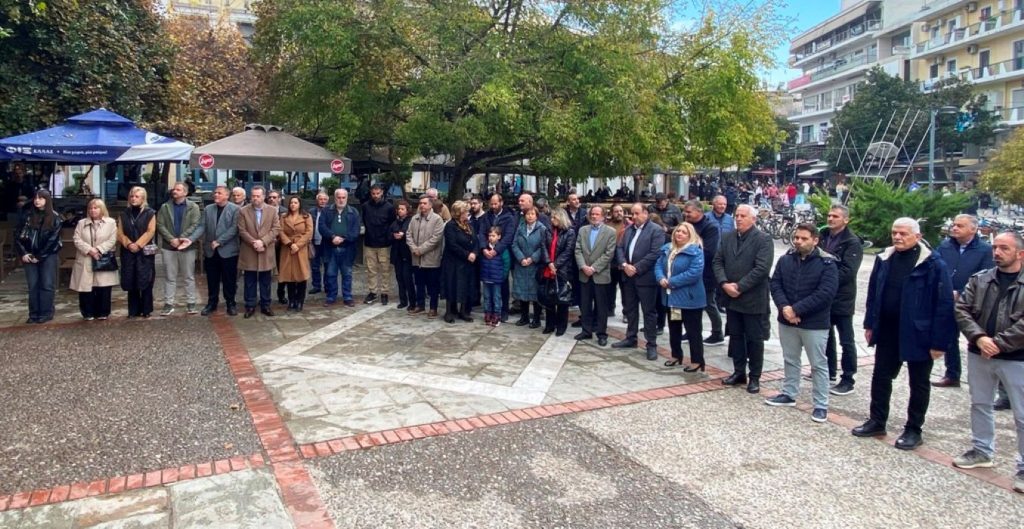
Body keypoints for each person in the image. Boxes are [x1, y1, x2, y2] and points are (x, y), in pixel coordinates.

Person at [853, 218, 956, 450]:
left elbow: (944, 304)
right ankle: (877, 420)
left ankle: (913, 429)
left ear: (917, 237)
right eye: (894, 232)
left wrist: (939, 342)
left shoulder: (933, 264)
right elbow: (874, 292)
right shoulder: (884, 258)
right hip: (888, 329)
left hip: (919, 332)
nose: (897, 237)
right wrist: (870, 323)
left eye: (903, 233)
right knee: (881, 377)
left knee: (918, 383)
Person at [951, 231, 1024, 493]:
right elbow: (962, 309)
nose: (997, 252)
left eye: (1004, 248)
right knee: (980, 404)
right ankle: (982, 450)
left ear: (1020, 253)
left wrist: (999, 343)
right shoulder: (981, 279)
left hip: (1016, 357)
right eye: (995, 247)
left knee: (1022, 414)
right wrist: (980, 338)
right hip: (979, 352)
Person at [766, 223, 838, 422]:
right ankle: (789, 393)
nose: (798, 241)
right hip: (787, 319)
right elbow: (775, 284)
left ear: (815, 240)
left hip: (814, 322)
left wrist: (796, 309)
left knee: (818, 364)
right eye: (797, 237)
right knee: (790, 358)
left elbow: (825, 293)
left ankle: (821, 404)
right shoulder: (786, 259)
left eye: (804, 238)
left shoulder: (827, 263)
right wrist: (785, 308)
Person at [713, 204, 774, 393]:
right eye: (736, 215)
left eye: (743, 216)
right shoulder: (727, 237)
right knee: (736, 336)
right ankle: (739, 371)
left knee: (755, 340)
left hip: (752, 298)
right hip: (731, 298)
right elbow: (717, 261)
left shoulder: (763, 239)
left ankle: (755, 376)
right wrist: (724, 283)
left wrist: (739, 286)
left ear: (753, 219)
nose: (738, 219)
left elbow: (762, 269)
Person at [934, 214, 994, 388]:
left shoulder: (985, 250)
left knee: (979, 339)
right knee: (949, 337)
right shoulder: (945, 246)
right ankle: (952, 375)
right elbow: (936, 268)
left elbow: (986, 276)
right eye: (954, 224)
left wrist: (961, 293)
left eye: (960, 226)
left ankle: (991, 384)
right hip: (948, 300)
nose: (954, 228)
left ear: (973, 229)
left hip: (974, 303)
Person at [818, 205, 864, 396]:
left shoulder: (852, 242)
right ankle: (828, 371)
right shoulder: (823, 236)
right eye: (829, 215)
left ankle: (848, 378)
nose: (830, 219)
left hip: (842, 297)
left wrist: (825, 275)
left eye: (835, 216)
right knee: (825, 336)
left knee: (846, 339)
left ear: (846, 220)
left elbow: (848, 271)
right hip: (824, 296)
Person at [614, 203, 667, 360]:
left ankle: (651, 344)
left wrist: (636, 268)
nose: (634, 217)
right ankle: (631, 337)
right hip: (628, 277)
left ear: (646, 213)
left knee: (649, 312)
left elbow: (655, 253)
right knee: (630, 309)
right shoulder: (629, 230)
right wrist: (624, 265)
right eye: (632, 214)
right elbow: (619, 249)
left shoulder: (655, 230)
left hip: (645, 278)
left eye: (637, 213)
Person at [655, 222, 706, 371]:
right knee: (674, 328)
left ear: (690, 236)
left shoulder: (696, 252)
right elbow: (658, 265)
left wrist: (671, 282)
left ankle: (697, 360)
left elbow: (694, 273)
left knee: (693, 331)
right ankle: (676, 355)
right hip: (673, 300)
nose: (679, 234)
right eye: (678, 231)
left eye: (684, 232)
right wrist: (660, 278)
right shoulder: (668, 249)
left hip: (690, 300)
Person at [156, 182, 203, 316]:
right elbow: (160, 224)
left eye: (178, 189)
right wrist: (171, 239)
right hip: (169, 246)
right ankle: (169, 303)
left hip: (187, 246)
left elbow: (195, 224)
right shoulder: (165, 207)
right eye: (174, 189)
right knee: (170, 277)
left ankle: (191, 303)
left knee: (188, 276)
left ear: (185, 193)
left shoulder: (193, 207)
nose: (174, 191)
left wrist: (181, 238)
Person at [15, 190, 62, 324]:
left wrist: (40, 256)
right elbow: (17, 236)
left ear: (47, 200)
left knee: (47, 284)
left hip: (47, 255)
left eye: (41, 198)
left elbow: (53, 240)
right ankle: (34, 313)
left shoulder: (55, 218)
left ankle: (46, 312)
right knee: (33, 285)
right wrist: (24, 253)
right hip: (29, 254)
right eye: (35, 198)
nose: (37, 200)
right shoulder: (27, 216)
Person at [681, 200, 724, 345]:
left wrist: (688, 250)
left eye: (689, 212)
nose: (685, 215)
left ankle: (717, 333)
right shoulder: (687, 224)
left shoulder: (711, 227)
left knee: (708, 303)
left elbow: (710, 251)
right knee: (690, 303)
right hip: (688, 271)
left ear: (699, 212)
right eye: (685, 212)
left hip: (706, 273)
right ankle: (692, 331)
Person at [575, 205, 617, 346]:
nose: (594, 216)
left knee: (601, 306)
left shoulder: (610, 232)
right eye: (592, 214)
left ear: (603, 216)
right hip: (584, 274)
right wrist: (583, 266)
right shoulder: (583, 230)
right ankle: (586, 331)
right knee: (585, 305)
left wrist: (593, 268)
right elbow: (578, 250)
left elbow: (609, 254)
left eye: (597, 214)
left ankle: (601, 333)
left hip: (600, 275)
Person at [237, 186, 282, 318]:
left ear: (263, 197)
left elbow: (276, 229)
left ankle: (265, 305)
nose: (255, 198)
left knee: (265, 280)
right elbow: (242, 230)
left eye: (257, 196)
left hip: (266, 250)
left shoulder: (272, 211)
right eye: (253, 196)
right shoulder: (243, 211)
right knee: (249, 280)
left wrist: (263, 242)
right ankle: (250, 305)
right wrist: (254, 243)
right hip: (249, 249)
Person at [69, 199, 117, 320]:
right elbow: (76, 239)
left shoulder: (111, 223)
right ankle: (87, 312)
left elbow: (112, 239)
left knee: (103, 286)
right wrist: (90, 250)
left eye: (96, 208)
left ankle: (103, 312)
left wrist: (99, 249)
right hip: (85, 258)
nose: (93, 210)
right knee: (86, 287)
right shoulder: (81, 223)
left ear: (102, 209)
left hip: (103, 258)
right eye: (90, 208)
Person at [200, 185, 240, 316]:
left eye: (219, 193)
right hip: (211, 251)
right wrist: (190, 239)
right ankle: (212, 303)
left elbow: (234, 229)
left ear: (227, 196)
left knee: (229, 279)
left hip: (228, 251)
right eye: (215, 193)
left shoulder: (235, 209)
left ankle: (230, 303)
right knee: (212, 279)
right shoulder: (208, 209)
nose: (215, 195)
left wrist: (219, 241)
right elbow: (202, 226)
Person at [477, 193, 517, 322]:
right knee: (488, 289)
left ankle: (503, 311)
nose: (493, 206)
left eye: (495, 203)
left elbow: (508, 236)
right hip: (487, 252)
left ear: (501, 203)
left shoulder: (509, 217)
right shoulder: (486, 216)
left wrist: (497, 250)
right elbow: (482, 233)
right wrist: (484, 248)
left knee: (503, 286)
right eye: (491, 204)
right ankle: (489, 311)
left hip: (502, 253)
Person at [118, 186, 157, 319]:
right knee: (131, 279)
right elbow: (120, 232)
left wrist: (138, 244)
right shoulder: (124, 214)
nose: (134, 199)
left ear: (143, 198)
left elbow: (150, 231)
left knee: (146, 279)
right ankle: (133, 310)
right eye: (132, 196)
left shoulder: (150, 213)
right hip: (128, 251)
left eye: (137, 196)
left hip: (144, 251)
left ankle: (146, 309)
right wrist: (129, 244)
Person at [318, 188, 361, 307]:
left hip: (347, 248)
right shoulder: (327, 211)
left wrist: (344, 238)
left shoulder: (354, 212)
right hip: (330, 248)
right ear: (335, 198)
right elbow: (321, 226)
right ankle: (331, 296)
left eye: (343, 197)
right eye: (339, 197)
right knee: (330, 273)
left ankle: (347, 296)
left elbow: (355, 230)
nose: (341, 200)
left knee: (347, 274)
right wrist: (332, 237)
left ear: (347, 198)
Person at [540, 208, 577, 335]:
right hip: (548, 268)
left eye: (554, 218)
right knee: (549, 297)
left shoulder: (570, 232)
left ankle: (561, 326)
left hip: (562, 270)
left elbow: (568, 251)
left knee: (562, 298)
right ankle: (550, 324)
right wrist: (549, 263)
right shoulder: (548, 230)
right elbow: (543, 246)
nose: (551, 220)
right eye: (551, 218)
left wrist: (555, 265)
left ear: (561, 218)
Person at [407, 194, 445, 317]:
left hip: (431, 258)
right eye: (420, 203)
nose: (422, 205)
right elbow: (409, 235)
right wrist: (414, 248)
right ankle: (420, 305)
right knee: (419, 283)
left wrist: (421, 250)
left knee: (433, 285)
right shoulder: (414, 219)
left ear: (430, 205)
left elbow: (436, 238)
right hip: (417, 259)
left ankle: (433, 308)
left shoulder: (437, 219)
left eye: (424, 203)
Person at [441, 200, 478, 323]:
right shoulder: (451, 226)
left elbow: (475, 240)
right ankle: (449, 312)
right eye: (465, 211)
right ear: (458, 213)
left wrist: (474, 253)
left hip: (467, 262)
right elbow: (452, 244)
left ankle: (463, 311)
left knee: (465, 285)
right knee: (451, 284)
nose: (467, 213)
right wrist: (467, 254)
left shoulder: (468, 225)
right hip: (453, 261)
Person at [513, 207, 549, 328]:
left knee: (535, 293)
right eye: (528, 214)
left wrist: (532, 258)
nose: (530, 216)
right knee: (523, 292)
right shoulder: (520, 227)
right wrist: (521, 258)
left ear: (537, 216)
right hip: (521, 264)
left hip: (535, 266)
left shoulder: (542, 229)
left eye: (532, 214)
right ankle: (524, 317)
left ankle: (537, 319)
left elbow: (543, 246)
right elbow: (514, 244)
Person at [362, 184, 396, 305]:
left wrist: (389, 238)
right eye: (373, 193)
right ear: (371, 193)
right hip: (369, 242)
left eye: (378, 193)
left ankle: (385, 292)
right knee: (371, 269)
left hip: (384, 244)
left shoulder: (389, 207)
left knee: (385, 269)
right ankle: (373, 292)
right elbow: (365, 221)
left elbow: (392, 224)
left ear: (382, 192)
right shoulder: (365, 206)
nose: (375, 196)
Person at [278, 196, 314, 312]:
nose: (293, 204)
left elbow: (309, 232)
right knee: (289, 276)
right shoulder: (283, 217)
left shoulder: (306, 216)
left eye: (295, 202)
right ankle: (291, 300)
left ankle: (300, 301)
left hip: (301, 249)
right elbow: (280, 231)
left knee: (301, 275)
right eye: (291, 203)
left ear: (299, 204)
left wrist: (297, 245)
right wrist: (289, 244)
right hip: (287, 249)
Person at [481, 226, 510, 326]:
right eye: (489, 235)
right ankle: (487, 313)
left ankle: (497, 315)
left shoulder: (502, 249)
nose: (491, 238)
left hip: (497, 278)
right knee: (487, 297)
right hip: (486, 277)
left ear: (499, 236)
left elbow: (506, 263)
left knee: (497, 297)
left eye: (493, 235)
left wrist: (503, 276)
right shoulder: (485, 248)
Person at [390, 200, 416, 310]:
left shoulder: (411, 221)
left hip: (407, 254)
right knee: (399, 278)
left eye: (402, 209)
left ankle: (412, 302)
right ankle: (403, 300)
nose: (400, 211)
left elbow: (411, 233)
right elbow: (389, 233)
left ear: (407, 210)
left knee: (408, 278)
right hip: (397, 254)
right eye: (398, 209)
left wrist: (403, 234)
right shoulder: (395, 222)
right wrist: (393, 235)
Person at [267, 190, 289, 305]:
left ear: (279, 199)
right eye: (270, 197)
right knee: (265, 271)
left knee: (282, 270)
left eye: (274, 197)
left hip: (281, 244)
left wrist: (280, 239)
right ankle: (265, 296)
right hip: (266, 244)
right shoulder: (263, 210)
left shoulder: (285, 212)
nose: (272, 199)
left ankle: (281, 294)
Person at [308, 192, 330, 294]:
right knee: (315, 266)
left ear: (328, 200)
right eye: (320, 199)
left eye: (325, 199)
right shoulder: (311, 211)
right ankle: (316, 286)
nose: (322, 201)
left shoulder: (331, 211)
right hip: (314, 242)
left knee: (327, 265)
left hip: (326, 242)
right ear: (317, 200)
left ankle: (327, 286)